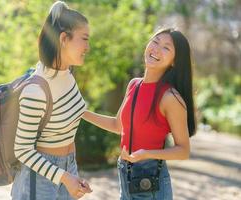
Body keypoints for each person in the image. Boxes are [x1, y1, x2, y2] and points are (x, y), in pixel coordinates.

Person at [83, 28, 196, 200]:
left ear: (174, 61)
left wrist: (147, 154)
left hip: (150, 178)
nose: (156, 49)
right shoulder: (133, 85)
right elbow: (117, 125)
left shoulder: (170, 97)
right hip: (125, 172)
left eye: (166, 48)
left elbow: (183, 151)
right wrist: (81, 113)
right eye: (155, 41)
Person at [11, 1, 92, 199]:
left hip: (67, 169)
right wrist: (64, 176)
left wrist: (72, 173)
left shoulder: (67, 74)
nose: (88, 47)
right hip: (38, 180)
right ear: (64, 38)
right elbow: (22, 150)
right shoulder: (35, 90)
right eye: (84, 39)